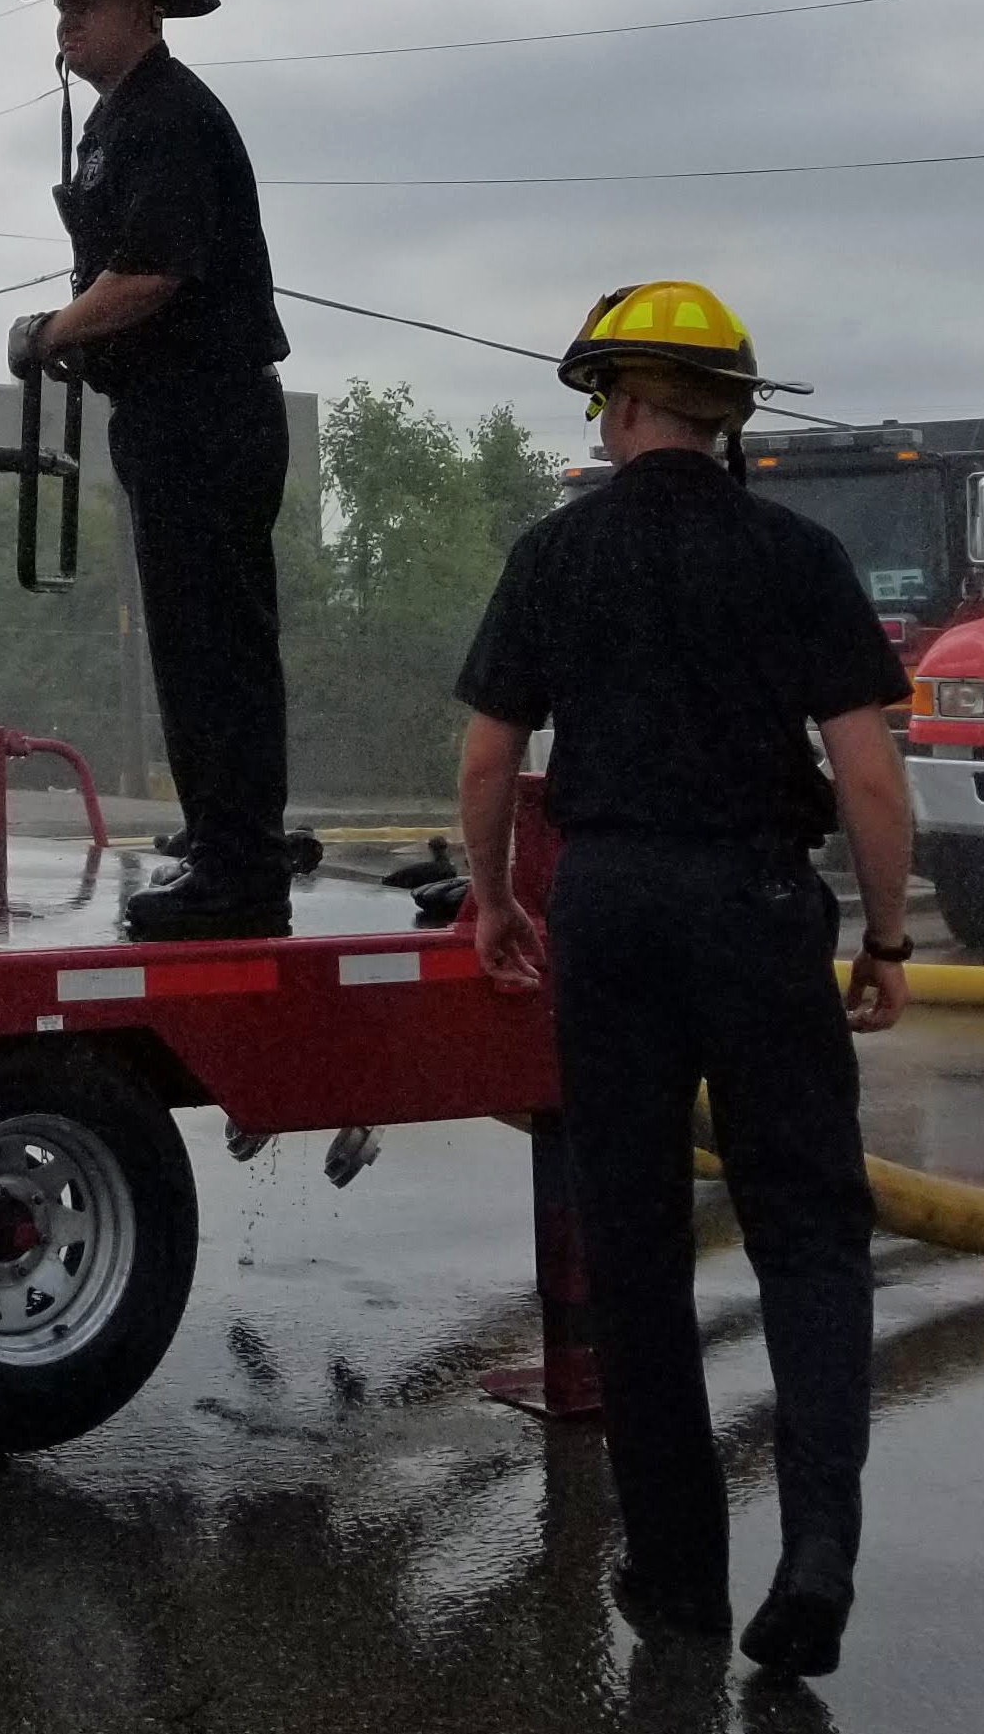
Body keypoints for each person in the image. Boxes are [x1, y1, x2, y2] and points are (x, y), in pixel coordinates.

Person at [453, 280, 913, 1677]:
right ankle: (817, 1547)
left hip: (609, 910)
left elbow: (489, 756)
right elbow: (868, 774)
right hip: (757, 903)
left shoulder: (554, 553)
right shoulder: (798, 554)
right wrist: (887, 939)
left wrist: (493, 899)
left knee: (638, 1247)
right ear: (722, 414)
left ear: (623, 404)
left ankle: (678, 1581)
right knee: (810, 1233)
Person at [9, 0, 294, 939]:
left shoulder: (166, 115)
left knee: (212, 643)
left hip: (205, 411)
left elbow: (151, 273)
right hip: (170, 413)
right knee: (189, 640)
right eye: (59, 4)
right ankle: (221, 835)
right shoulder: (121, 118)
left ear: (143, 4)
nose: (64, 21)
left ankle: (240, 868)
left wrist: (47, 331)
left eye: (83, 1)